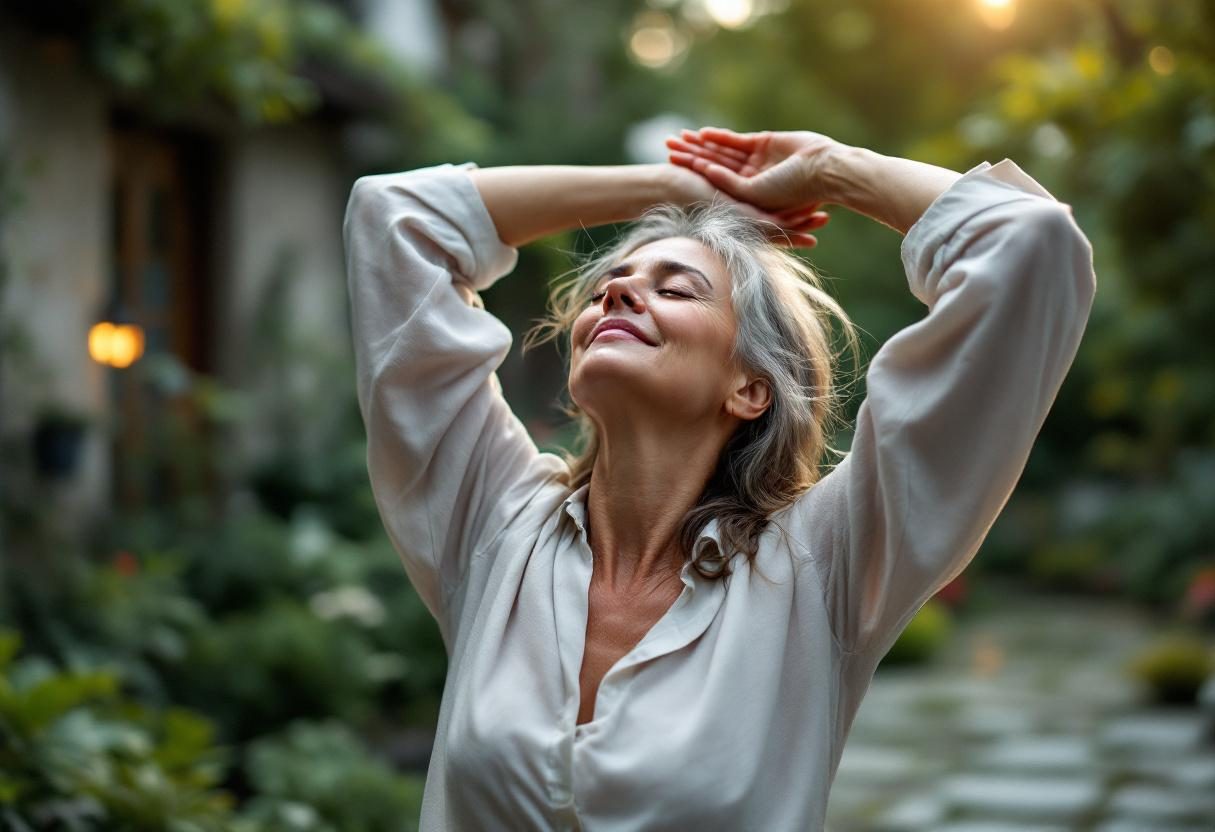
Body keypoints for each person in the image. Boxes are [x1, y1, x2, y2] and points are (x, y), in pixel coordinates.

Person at [341, 126, 1096, 831]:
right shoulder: (492, 524)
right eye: (612, 284)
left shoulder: (822, 569)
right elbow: (394, 218)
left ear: (750, 389)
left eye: (676, 289)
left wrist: (833, 170)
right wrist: (680, 189)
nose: (616, 293)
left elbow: (1030, 245)